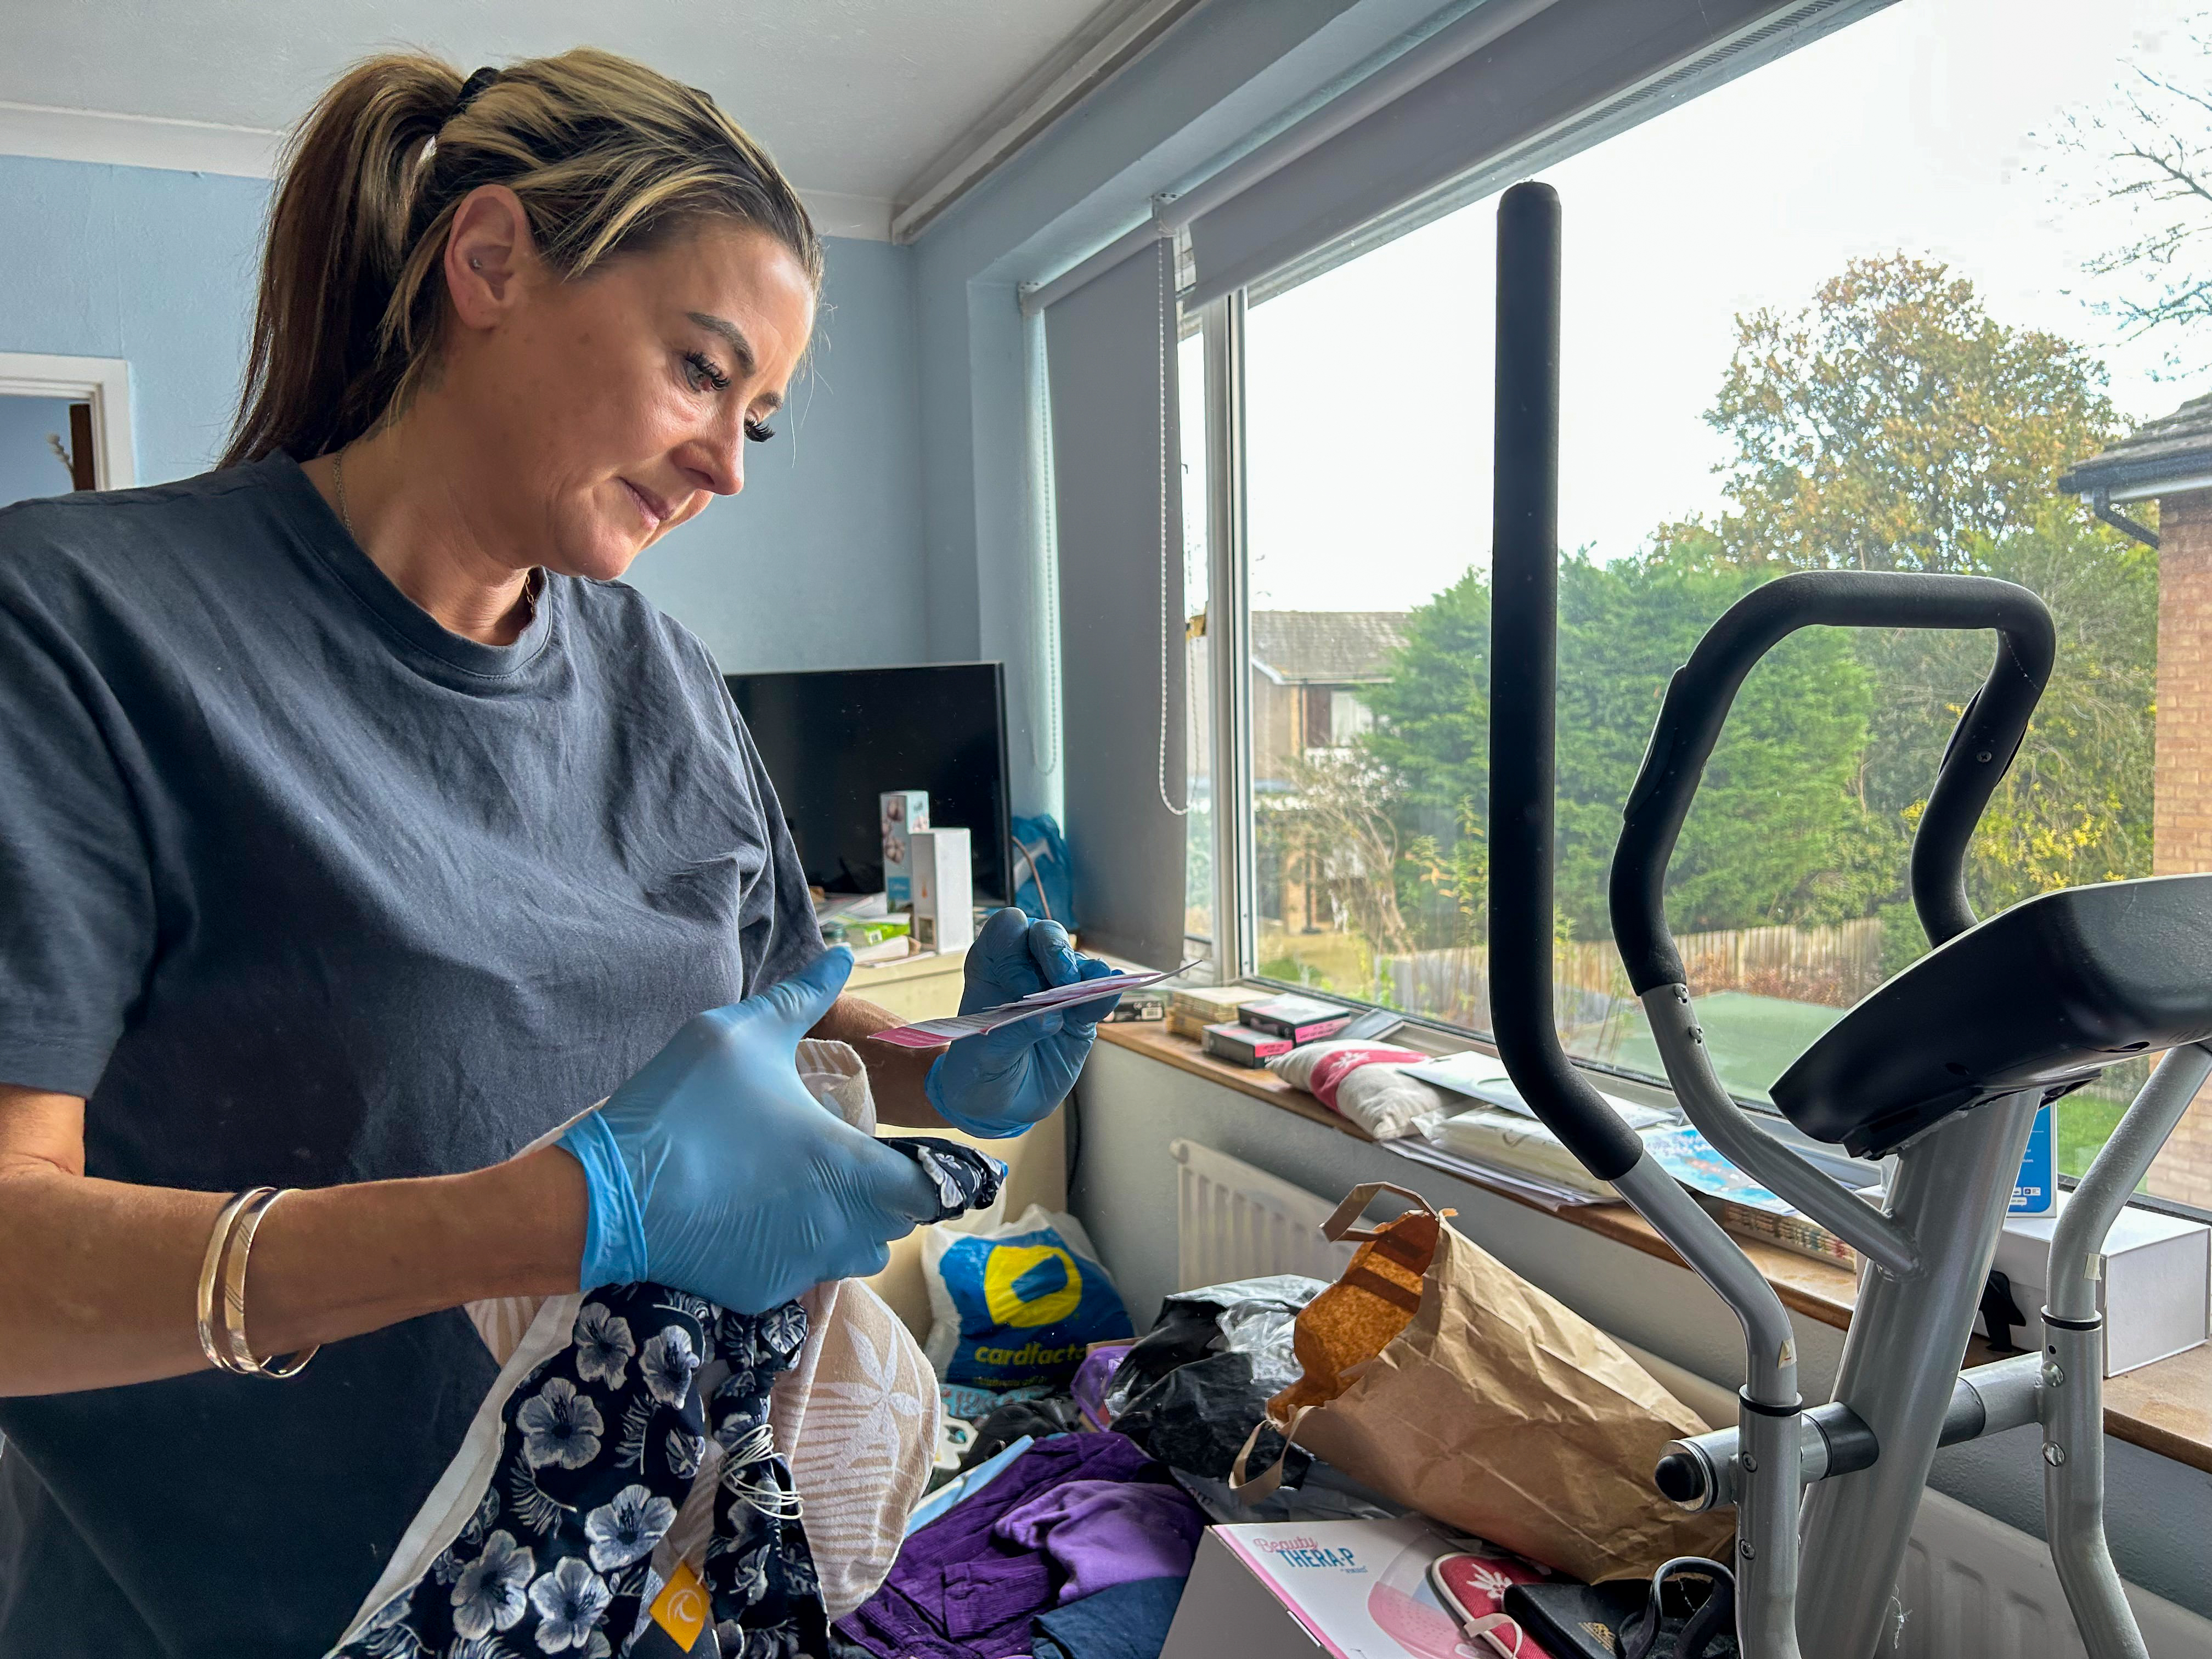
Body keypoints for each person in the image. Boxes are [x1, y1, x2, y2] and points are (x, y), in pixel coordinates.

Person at [0, 48, 1117, 1657]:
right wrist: (556, 1215)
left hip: (618, 1597)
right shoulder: (86, 631)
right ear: (493, 262)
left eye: (762, 422)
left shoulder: (665, 680)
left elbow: (755, 1057)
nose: (727, 463)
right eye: (697, 368)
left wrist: (961, 1058)